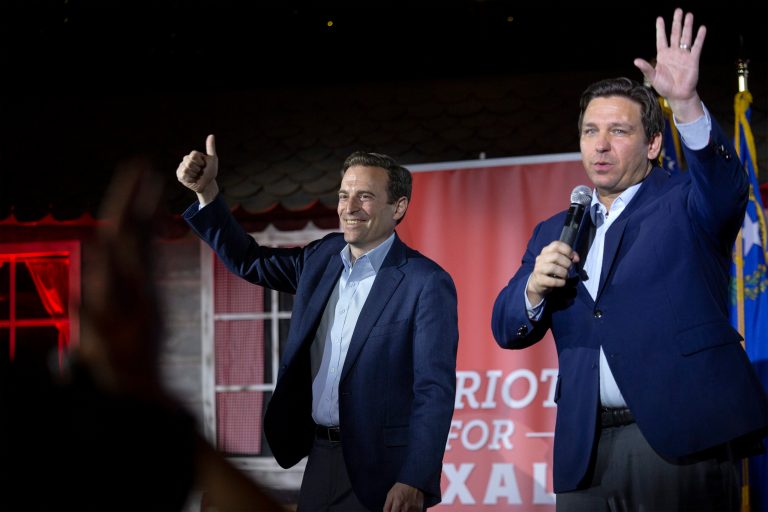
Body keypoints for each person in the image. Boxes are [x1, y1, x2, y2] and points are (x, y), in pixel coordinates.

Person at [491, 8, 768, 512]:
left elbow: (726, 187)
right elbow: (507, 329)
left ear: (653, 143)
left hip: (680, 441)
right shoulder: (555, 230)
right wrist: (532, 290)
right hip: (586, 451)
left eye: (618, 131)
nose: (600, 145)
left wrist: (685, 104)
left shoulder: (687, 202)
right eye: (590, 131)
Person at [177, 137, 459, 511]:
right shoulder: (321, 256)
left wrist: (414, 478)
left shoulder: (426, 282)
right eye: (344, 195)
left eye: (365, 196)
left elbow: (434, 390)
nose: (349, 207)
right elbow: (250, 260)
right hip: (319, 457)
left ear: (398, 207)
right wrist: (207, 193)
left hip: (384, 472)